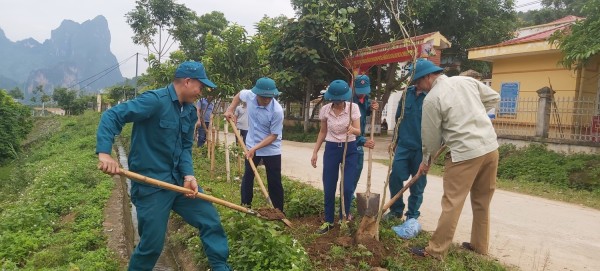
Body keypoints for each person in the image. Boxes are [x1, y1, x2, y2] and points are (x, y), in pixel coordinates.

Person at [96, 61, 231, 270]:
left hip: (178, 183)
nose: (201, 92)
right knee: (152, 246)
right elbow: (112, 115)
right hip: (151, 186)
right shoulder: (154, 101)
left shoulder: (189, 111)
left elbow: (185, 147)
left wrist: (189, 176)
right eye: (200, 86)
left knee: (210, 220)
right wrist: (105, 153)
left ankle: (221, 267)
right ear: (187, 82)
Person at [407, 59, 500, 259]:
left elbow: (430, 138)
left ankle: (435, 251)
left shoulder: (432, 99)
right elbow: (494, 97)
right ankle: (479, 246)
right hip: (490, 148)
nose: (417, 87)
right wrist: (472, 113)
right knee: (482, 200)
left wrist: (426, 160)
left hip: (465, 153)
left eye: (417, 82)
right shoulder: (465, 82)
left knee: (452, 202)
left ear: (428, 77)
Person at [224, 77, 285, 212]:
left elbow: (273, 136)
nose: (267, 100)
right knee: (248, 175)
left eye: (270, 97)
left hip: (271, 148)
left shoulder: (277, 111)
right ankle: (246, 207)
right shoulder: (250, 96)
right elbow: (239, 94)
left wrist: (255, 149)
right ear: (256, 94)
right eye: (264, 97)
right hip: (251, 143)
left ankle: (278, 211)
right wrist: (230, 109)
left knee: (274, 180)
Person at [311, 80, 361, 234]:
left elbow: (359, 131)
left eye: (339, 101)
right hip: (332, 149)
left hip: (350, 148)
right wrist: (315, 152)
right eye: (334, 100)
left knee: (347, 187)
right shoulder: (325, 110)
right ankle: (328, 221)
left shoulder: (353, 108)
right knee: (329, 186)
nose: (337, 103)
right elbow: (322, 131)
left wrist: (352, 129)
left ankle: (344, 218)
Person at [384, 84, 427, 222]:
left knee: (418, 182)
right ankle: (396, 210)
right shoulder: (406, 94)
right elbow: (398, 119)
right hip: (403, 145)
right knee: (395, 176)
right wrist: (394, 141)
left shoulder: (433, 95)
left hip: (422, 148)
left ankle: (412, 215)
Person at [350, 75, 378, 205]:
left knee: (356, 172)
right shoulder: (349, 102)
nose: (362, 94)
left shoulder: (366, 99)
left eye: (365, 91)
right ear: (354, 88)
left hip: (359, 143)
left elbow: (365, 113)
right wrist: (363, 140)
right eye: (360, 90)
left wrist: (372, 109)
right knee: (348, 175)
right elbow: (347, 126)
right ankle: (346, 200)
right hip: (349, 142)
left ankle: (349, 196)